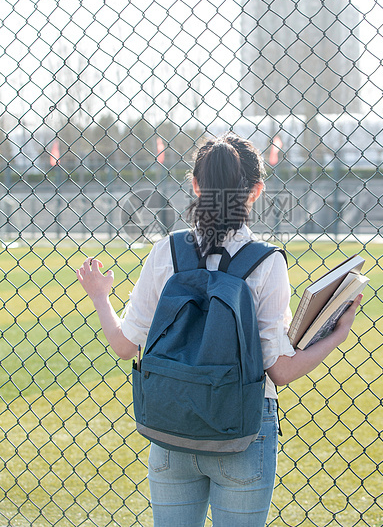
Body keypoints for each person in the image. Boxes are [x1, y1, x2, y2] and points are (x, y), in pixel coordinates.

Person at [76, 133, 362, 527]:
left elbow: (125, 345)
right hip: (240, 430)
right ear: (256, 191)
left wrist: (99, 296)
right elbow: (279, 370)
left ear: (195, 185)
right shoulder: (265, 263)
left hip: (170, 424)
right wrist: (337, 335)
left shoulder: (167, 252)